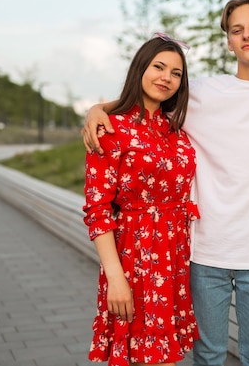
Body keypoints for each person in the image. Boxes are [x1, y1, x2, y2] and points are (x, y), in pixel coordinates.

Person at [82, 0, 249, 366]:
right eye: (237, 30)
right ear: (227, 40)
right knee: (206, 354)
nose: (247, 36)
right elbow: (136, 103)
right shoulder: (200, 93)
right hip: (199, 251)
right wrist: (97, 110)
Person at [83, 32, 199, 365]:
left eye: (176, 73)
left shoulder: (176, 130)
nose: (166, 77)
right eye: (159, 67)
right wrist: (115, 278)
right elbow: (97, 210)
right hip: (133, 261)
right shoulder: (110, 129)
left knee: (166, 358)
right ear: (140, 68)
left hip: (174, 261)